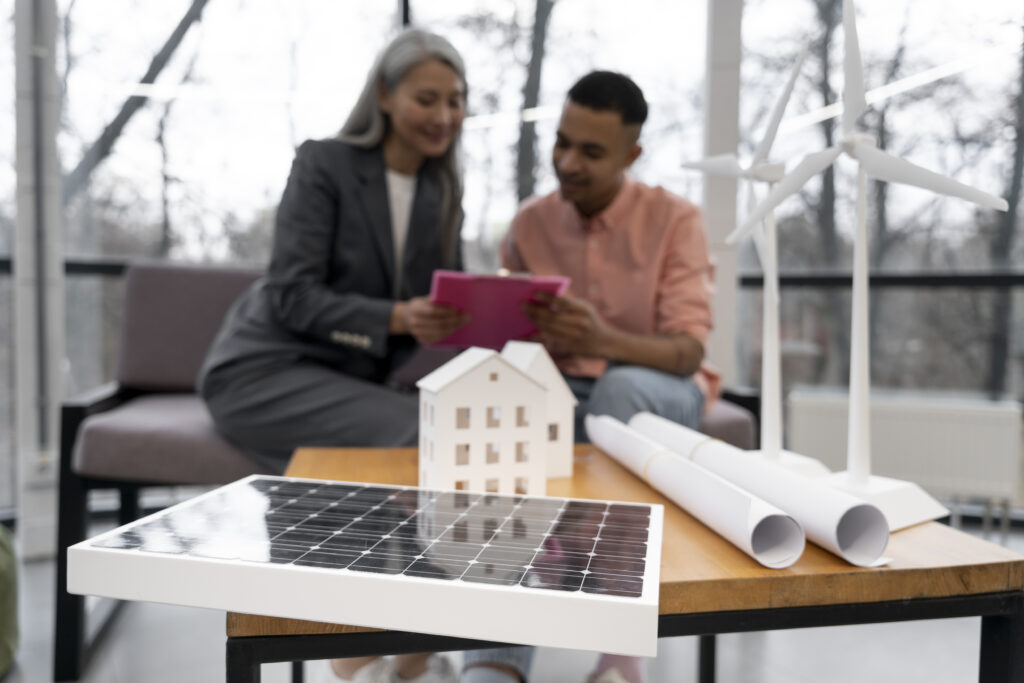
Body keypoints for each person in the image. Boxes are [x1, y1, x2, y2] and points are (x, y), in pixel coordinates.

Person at [197, 28, 469, 683]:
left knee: (451, 425)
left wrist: (482, 311)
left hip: (351, 381)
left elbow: (435, 309)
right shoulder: (324, 164)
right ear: (384, 93)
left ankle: (401, 648)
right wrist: (398, 316)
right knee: (420, 435)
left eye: (457, 101)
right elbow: (292, 295)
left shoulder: (442, 193)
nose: (444, 116)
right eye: (427, 98)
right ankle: (385, 653)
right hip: (266, 368)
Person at [460, 71, 717, 683]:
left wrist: (600, 340)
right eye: (561, 142)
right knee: (498, 407)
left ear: (631, 155)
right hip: (562, 386)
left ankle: (617, 649)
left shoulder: (675, 220)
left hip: (658, 388)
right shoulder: (529, 224)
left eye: (591, 152)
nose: (567, 162)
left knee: (617, 392)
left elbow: (686, 351)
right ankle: (494, 655)